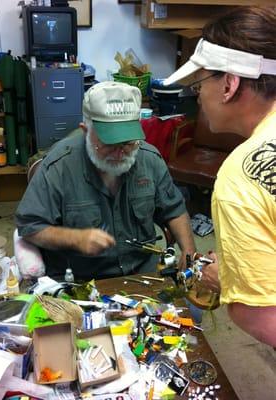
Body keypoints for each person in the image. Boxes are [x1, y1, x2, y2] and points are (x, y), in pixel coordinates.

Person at [164, 6, 276, 347]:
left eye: (199, 85)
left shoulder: (239, 179)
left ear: (229, 84)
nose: (198, 97)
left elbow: (263, 318)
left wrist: (230, 280)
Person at [16, 81, 196, 280]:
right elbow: (29, 226)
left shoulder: (149, 159)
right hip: (80, 279)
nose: (120, 152)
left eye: (128, 142)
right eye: (109, 143)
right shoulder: (59, 166)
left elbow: (174, 210)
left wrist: (189, 253)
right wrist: (75, 238)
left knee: (189, 310)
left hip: (140, 272)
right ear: (86, 131)